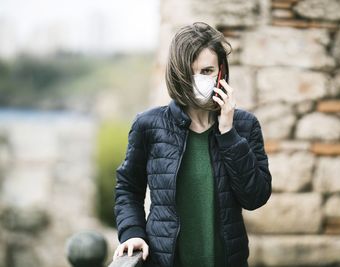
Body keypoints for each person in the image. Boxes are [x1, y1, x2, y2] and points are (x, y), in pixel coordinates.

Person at [112, 22, 272, 267]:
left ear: (221, 72)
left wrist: (228, 133)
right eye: (191, 71)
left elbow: (255, 197)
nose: (199, 79)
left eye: (207, 71)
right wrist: (132, 231)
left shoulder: (246, 125)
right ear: (177, 73)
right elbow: (128, 188)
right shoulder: (148, 125)